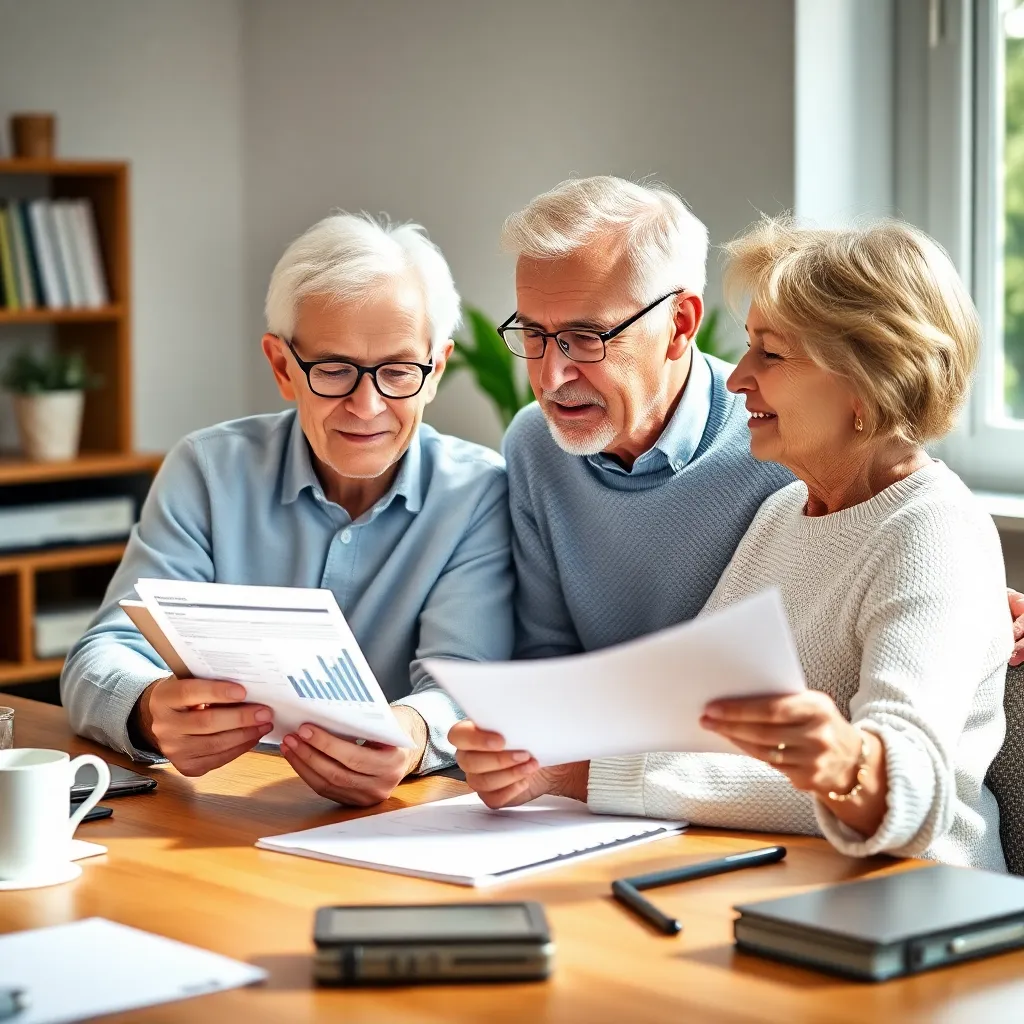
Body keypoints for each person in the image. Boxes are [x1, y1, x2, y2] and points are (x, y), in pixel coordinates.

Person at [451, 182, 1013, 869]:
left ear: (863, 384)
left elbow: (912, 790)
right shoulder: (786, 512)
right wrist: (537, 755)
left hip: (916, 901)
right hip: (773, 868)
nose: (737, 377)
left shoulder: (935, 531)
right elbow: (701, 732)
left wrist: (844, 762)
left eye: (769, 356)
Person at [62, 213, 513, 806]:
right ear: (282, 367)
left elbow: (465, 681)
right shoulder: (208, 470)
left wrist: (413, 736)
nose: (367, 405)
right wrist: (149, 710)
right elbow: (100, 656)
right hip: (221, 810)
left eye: (399, 371)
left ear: (435, 369)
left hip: (396, 820)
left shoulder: (478, 494)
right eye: (333, 370)